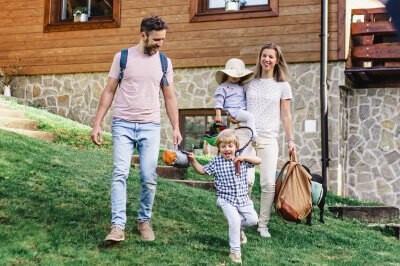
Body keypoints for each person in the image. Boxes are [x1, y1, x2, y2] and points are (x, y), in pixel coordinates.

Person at [91, 15, 182, 242]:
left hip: (150, 126)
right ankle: (117, 226)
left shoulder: (164, 62)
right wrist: (97, 123)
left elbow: (169, 97)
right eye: (157, 39)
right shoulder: (122, 57)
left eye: (163, 39)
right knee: (120, 173)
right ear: (143, 35)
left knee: (149, 176)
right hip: (122, 123)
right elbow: (109, 91)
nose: (160, 43)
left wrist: (176, 127)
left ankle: (144, 220)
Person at [230, 43, 296, 238]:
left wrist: (290, 139)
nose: (267, 59)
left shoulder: (283, 86)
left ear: (277, 60)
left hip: (269, 138)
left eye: (271, 57)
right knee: (246, 180)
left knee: (268, 184)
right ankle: (243, 221)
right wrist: (231, 116)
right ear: (260, 58)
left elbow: (286, 115)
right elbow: (235, 105)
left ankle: (262, 225)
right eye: (264, 56)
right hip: (246, 137)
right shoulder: (248, 81)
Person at [188, 129, 261, 264]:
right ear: (219, 148)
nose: (227, 149)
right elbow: (202, 171)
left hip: (243, 199)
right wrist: (193, 161)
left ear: (236, 147)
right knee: (234, 221)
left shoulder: (241, 160)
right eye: (223, 146)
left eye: (230, 146)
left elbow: (259, 160)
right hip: (226, 199)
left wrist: (244, 158)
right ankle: (235, 252)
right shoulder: (216, 161)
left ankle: (238, 230)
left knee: (253, 220)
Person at [214, 58, 260, 145]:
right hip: (235, 111)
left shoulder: (240, 85)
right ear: (227, 74)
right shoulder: (223, 87)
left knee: (249, 118)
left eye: (238, 75)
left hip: (242, 110)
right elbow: (219, 102)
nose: (236, 77)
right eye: (233, 75)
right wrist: (218, 115)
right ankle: (254, 139)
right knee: (250, 117)